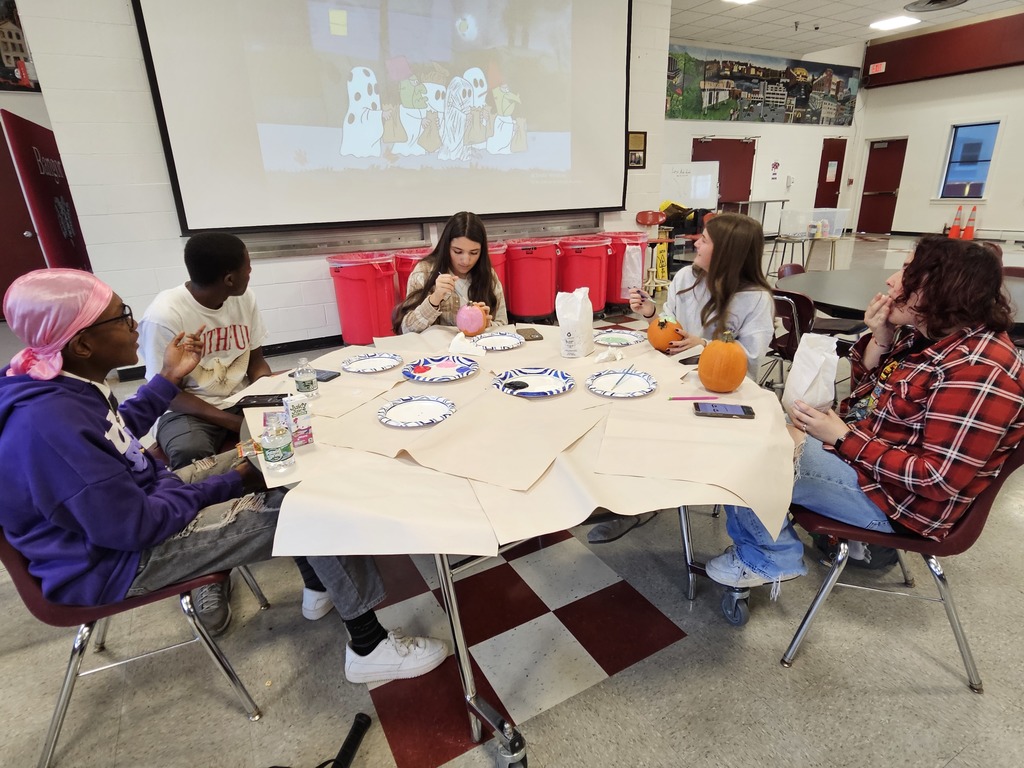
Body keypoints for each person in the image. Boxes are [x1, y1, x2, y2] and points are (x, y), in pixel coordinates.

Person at [0, 269, 448, 685]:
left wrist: (170, 377)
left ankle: (318, 584)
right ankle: (369, 648)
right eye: (122, 317)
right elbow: (135, 527)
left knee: (278, 450)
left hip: (143, 500)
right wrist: (234, 481)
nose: (134, 325)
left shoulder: (58, 381)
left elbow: (116, 432)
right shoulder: (49, 426)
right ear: (82, 344)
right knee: (315, 505)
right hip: (119, 560)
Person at [704, 236, 1024, 592]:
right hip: (871, 467)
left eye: (907, 271)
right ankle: (769, 543)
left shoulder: (979, 370)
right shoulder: (928, 336)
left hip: (897, 504)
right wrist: (881, 339)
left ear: (944, 286)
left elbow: (937, 479)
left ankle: (770, 557)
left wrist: (842, 437)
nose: (891, 280)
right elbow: (866, 403)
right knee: (746, 429)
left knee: (745, 455)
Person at [138, 232, 332, 634]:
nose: (251, 271)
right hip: (189, 408)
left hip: (241, 397)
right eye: (247, 265)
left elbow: (257, 362)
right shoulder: (165, 315)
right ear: (229, 277)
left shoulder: (244, 298)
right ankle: (211, 570)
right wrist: (235, 422)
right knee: (192, 450)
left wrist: (269, 397)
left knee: (298, 436)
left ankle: (289, 536)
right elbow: (167, 394)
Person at [588, 212, 774, 543]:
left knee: (663, 428)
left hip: (722, 394)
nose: (696, 242)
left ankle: (650, 495)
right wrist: (650, 314)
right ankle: (628, 502)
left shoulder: (756, 298)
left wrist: (705, 344)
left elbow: (751, 355)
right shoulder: (687, 277)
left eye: (705, 240)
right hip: (676, 375)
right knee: (621, 409)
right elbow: (670, 323)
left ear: (726, 252)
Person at [392, 211, 508, 334]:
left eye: (474, 253)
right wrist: (434, 300)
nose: (465, 260)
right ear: (446, 246)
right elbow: (407, 329)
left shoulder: (488, 275)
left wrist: (487, 324)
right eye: (458, 252)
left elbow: (503, 325)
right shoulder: (424, 272)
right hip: (436, 351)